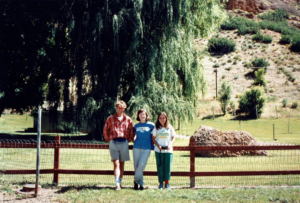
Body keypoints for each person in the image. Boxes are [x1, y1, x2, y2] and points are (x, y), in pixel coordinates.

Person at [103, 100, 134, 191]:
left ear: (124, 109)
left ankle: (119, 182)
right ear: (116, 108)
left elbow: (131, 130)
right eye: (119, 108)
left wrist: (128, 140)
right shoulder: (110, 118)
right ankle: (117, 184)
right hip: (114, 142)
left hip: (124, 142)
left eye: (122, 108)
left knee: (122, 163)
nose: (120, 110)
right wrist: (109, 139)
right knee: (116, 163)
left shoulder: (128, 119)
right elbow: (105, 130)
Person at [152, 112, 175, 189]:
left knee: (167, 167)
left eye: (163, 118)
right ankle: (160, 183)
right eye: (160, 118)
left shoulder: (170, 127)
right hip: (159, 150)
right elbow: (153, 138)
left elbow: (173, 137)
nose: (162, 119)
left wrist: (170, 145)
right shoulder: (156, 128)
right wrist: (158, 145)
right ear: (158, 119)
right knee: (160, 166)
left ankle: (167, 183)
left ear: (166, 118)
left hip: (168, 151)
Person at [133, 109, 155, 190]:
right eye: (140, 114)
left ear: (146, 116)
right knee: (136, 166)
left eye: (143, 114)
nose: (142, 116)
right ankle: (140, 184)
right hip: (136, 147)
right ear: (138, 116)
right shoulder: (136, 126)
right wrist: (133, 138)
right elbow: (133, 135)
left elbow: (156, 134)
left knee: (141, 165)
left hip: (147, 148)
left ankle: (135, 180)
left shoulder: (151, 125)